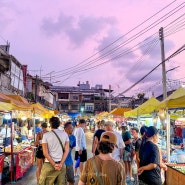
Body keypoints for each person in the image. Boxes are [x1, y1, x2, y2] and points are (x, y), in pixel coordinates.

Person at [38, 116, 69, 185]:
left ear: (50, 124)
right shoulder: (65, 134)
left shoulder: (46, 135)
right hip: (61, 165)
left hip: (49, 164)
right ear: (59, 124)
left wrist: (54, 165)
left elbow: (45, 153)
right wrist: (60, 164)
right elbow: (67, 150)